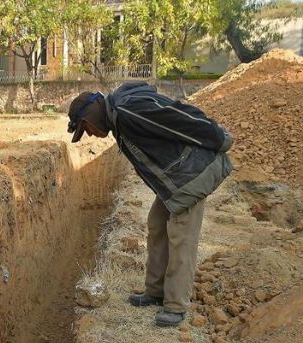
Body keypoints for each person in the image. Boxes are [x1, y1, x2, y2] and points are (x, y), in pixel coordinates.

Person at [67, 81, 233, 327]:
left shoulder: (129, 110)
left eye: (86, 128)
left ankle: (175, 306)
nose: (90, 134)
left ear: (92, 115)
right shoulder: (120, 118)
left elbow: (179, 118)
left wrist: (218, 138)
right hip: (175, 182)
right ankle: (155, 292)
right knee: (157, 224)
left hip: (192, 175)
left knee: (181, 237)